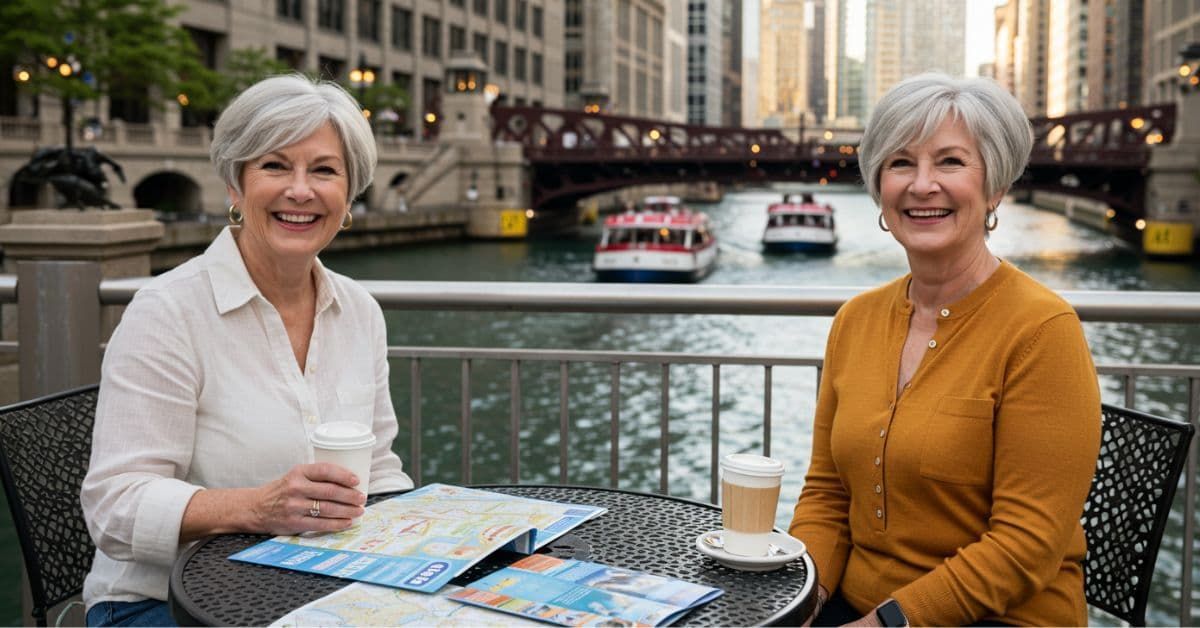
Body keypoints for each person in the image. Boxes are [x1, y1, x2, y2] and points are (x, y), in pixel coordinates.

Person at [80, 74, 414, 627]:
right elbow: (114, 506)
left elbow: (377, 471)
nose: (301, 190)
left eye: (324, 170)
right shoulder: (166, 312)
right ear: (235, 186)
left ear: (349, 195)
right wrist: (258, 508)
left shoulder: (360, 311)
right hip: (157, 602)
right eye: (275, 166)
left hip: (314, 593)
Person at [788, 73, 1100, 627]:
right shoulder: (854, 321)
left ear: (995, 187)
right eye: (901, 163)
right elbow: (828, 496)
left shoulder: (1042, 331)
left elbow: (1025, 543)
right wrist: (800, 605)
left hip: (1001, 617)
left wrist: (886, 624)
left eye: (951, 162)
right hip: (853, 607)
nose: (922, 185)